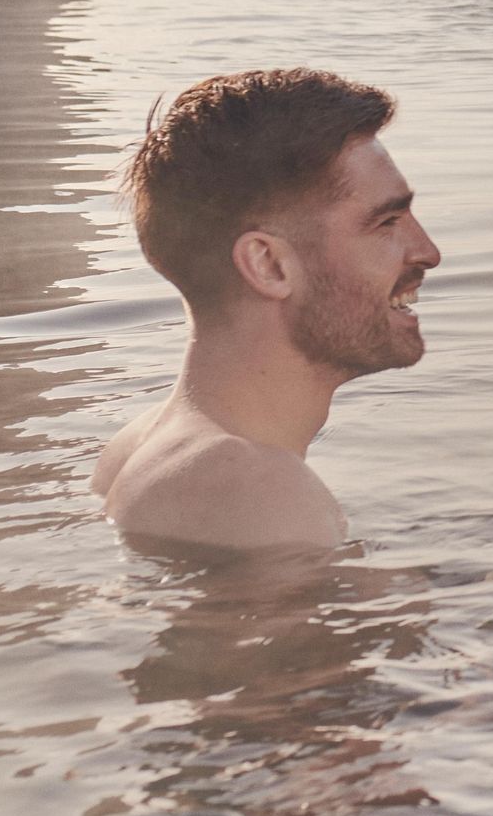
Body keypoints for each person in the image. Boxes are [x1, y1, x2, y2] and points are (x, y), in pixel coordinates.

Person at [93, 69, 440, 555]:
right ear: (269, 264)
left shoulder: (141, 447)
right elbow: (303, 630)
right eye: (386, 222)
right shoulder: (258, 489)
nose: (427, 251)